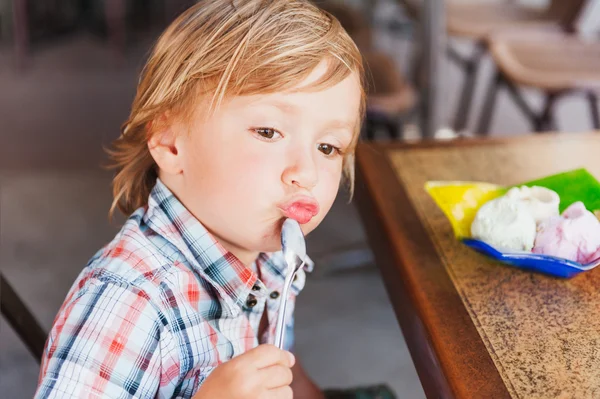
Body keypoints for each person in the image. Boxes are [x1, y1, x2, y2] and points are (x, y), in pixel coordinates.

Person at [35, 1, 368, 397]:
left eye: (328, 147)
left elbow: (284, 368)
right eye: (267, 131)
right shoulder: (130, 304)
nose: (307, 172)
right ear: (171, 142)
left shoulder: (276, 256)